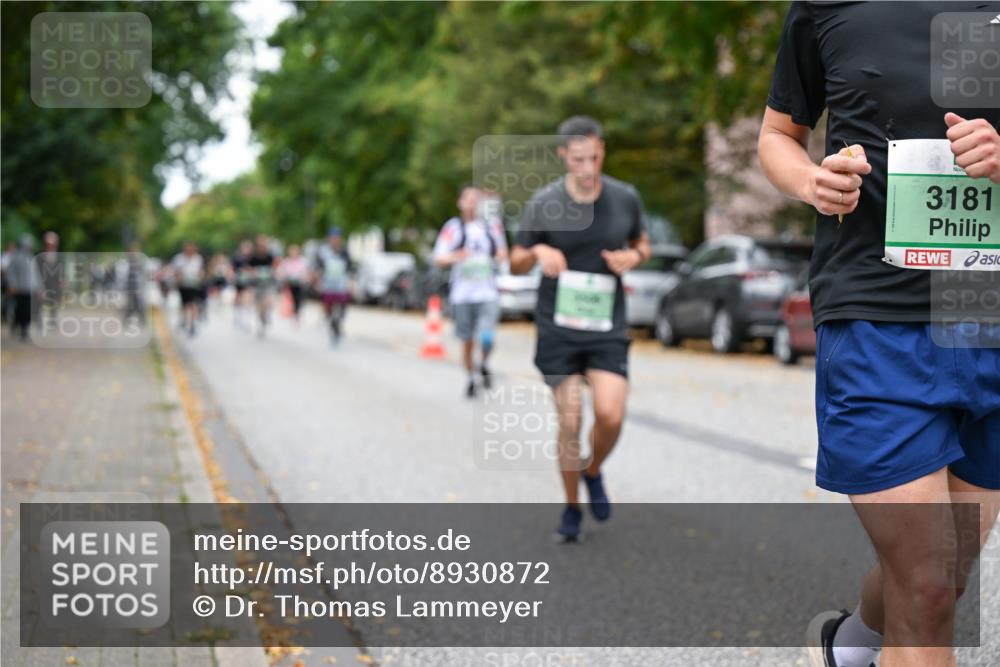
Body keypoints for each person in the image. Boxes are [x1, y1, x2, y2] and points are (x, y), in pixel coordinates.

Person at [757, 4, 1000, 666]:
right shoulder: (829, 7)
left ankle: (852, 643)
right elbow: (779, 132)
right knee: (925, 583)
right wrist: (812, 180)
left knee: (944, 575)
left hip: (988, 314)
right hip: (875, 313)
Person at [510, 115, 650, 541]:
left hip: (606, 325)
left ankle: (592, 470)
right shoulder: (544, 202)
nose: (587, 169)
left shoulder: (625, 198)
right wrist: (538, 250)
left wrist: (633, 258)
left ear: (602, 151)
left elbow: (640, 243)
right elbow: (514, 260)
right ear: (563, 157)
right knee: (570, 419)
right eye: (578, 160)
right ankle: (571, 510)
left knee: (610, 414)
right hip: (559, 327)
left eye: (593, 157)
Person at [433, 185, 509, 398]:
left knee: (487, 337)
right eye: (468, 198)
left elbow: (503, 251)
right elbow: (438, 258)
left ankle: (483, 363)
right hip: (462, 295)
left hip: (487, 293)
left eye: (476, 198)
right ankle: (470, 377)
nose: (472, 202)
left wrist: (500, 257)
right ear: (460, 202)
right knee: (467, 341)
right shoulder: (453, 228)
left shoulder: (492, 226)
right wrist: (457, 256)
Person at [313, 228, 353, 344]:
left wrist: (352, 282)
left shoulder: (344, 251)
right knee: (328, 306)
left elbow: (350, 268)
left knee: (343, 305)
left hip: (341, 283)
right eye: (332, 237)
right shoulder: (323, 251)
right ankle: (331, 322)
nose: (335, 240)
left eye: (337, 237)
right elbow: (318, 267)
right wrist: (316, 280)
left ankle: (338, 322)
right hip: (328, 283)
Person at [5, 235, 37, 340]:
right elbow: (11, 273)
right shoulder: (16, 258)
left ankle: (24, 329)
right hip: (19, 289)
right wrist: (12, 285)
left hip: (30, 289)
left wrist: (38, 288)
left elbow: (35, 275)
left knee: (28, 311)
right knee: (20, 310)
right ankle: (18, 326)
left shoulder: (31, 258)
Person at [171, 242, 204, 337]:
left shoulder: (198, 258)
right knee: (185, 304)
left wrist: (200, 278)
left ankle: (192, 324)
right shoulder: (179, 258)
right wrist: (178, 279)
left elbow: (201, 271)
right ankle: (185, 319)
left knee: (193, 304)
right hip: (183, 285)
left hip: (194, 285)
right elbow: (175, 271)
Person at [249, 234, 279, 338]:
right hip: (257, 284)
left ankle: (267, 314)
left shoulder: (271, 256)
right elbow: (249, 269)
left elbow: (276, 267)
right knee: (259, 306)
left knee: (268, 301)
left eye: (264, 245)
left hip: (268, 283)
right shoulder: (253, 257)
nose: (262, 247)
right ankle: (262, 320)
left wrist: (273, 272)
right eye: (260, 245)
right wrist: (254, 272)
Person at [278, 244, 309, 324]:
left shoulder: (302, 261)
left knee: (298, 299)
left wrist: (303, 277)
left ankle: (297, 314)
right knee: (290, 299)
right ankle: (291, 313)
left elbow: (305, 272)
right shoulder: (286, 261)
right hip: (289, 283)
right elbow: (281, 272)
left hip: (299, 284)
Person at [231, 240, 254, 329]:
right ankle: (237, 313)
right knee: (238, 297)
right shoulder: (236, 258)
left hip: (248, 281)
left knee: (248, 297)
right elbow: (231, 268)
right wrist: (232, 275)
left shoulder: (252, 258)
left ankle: (246, 317)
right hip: (239, 281)